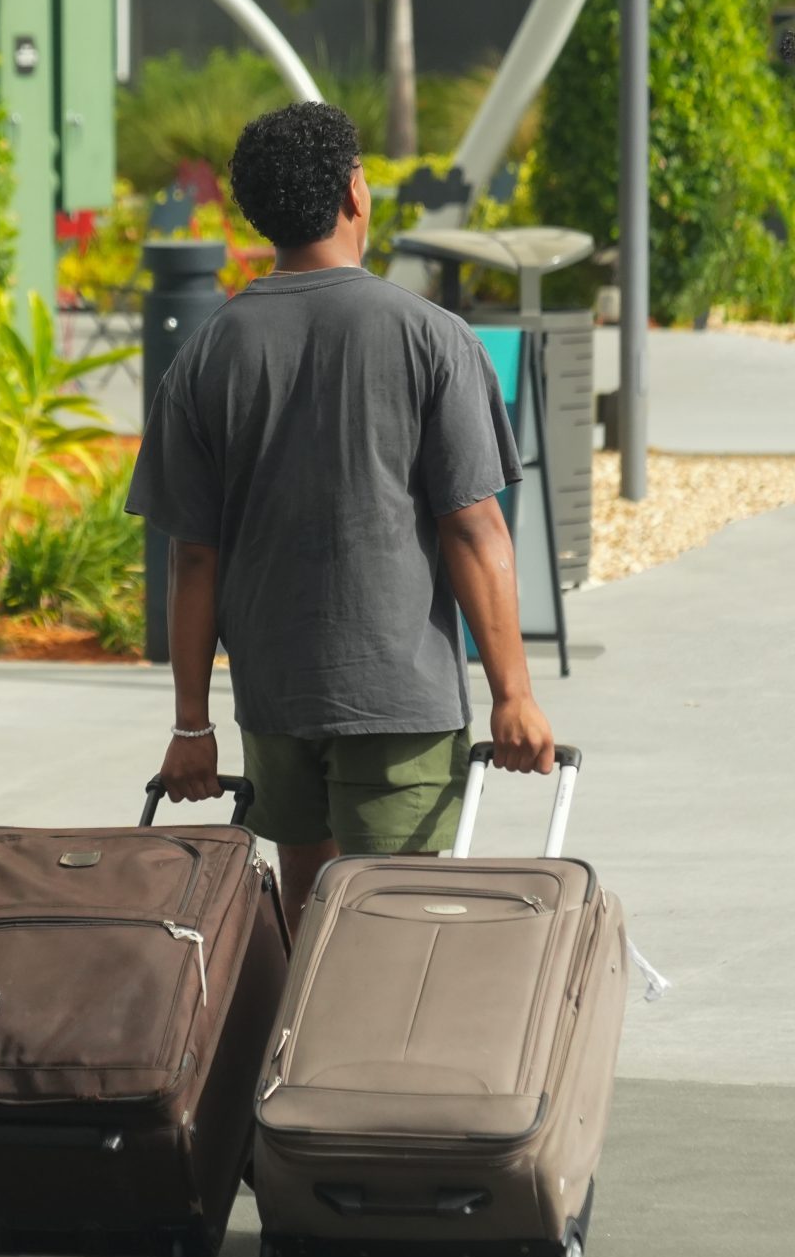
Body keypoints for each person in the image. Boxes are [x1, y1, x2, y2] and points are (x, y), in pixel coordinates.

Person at [127, 101, 554, 937]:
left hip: (277, 697)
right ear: (356, 194)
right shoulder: (432, 338)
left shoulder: (208, 353)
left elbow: (194, 562)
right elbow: (475, 531)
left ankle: (301, 1065)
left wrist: (191, 727)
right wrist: (515, 696)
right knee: (395, 931)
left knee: (310, 923)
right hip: (399, 700)